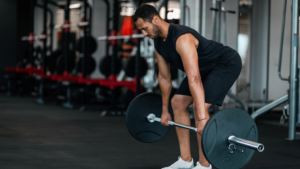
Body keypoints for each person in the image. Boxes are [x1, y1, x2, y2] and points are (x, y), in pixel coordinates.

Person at [133, 4, 242, 169]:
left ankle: (204, 166)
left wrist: (203, 118)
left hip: (225, 64)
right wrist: (164, 110)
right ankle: (185, 161)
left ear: (155, 19)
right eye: (141, 30)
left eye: (145, 28)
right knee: (177, 103)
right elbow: (164, 77)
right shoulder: (158, 43)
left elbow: (194, 78)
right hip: (202, 69)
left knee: (200, 109)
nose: (144, 33)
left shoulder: (182, 38)